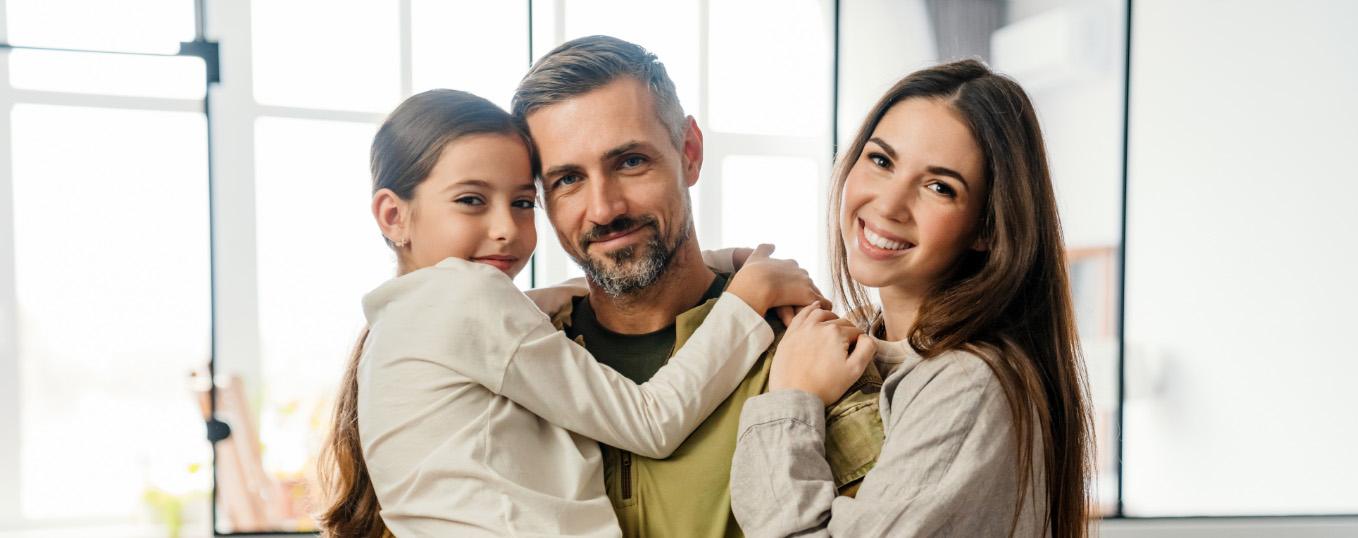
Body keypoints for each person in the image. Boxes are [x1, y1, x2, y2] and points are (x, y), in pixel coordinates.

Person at [317, 88, 831, 537]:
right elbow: (650, 422)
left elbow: (554, 299)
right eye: (472, 200)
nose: (506, 229)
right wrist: (746, 297)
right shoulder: (469, 299)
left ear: (689, 152)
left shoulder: (407, 317)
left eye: (522, 203)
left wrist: (723, 261)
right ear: (393, 215)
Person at [511, 35, 884, 538]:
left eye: (629, 162)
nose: (604, 209)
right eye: (568, 180)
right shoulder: (515, 358)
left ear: (689, 152)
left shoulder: (803, 351)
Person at [730, 59, 1096, 537]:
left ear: (987, 227)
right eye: (881, 161)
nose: (888, 204)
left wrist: (790, 399)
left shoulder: (969, 383)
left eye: (938, 187)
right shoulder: (863, 339)